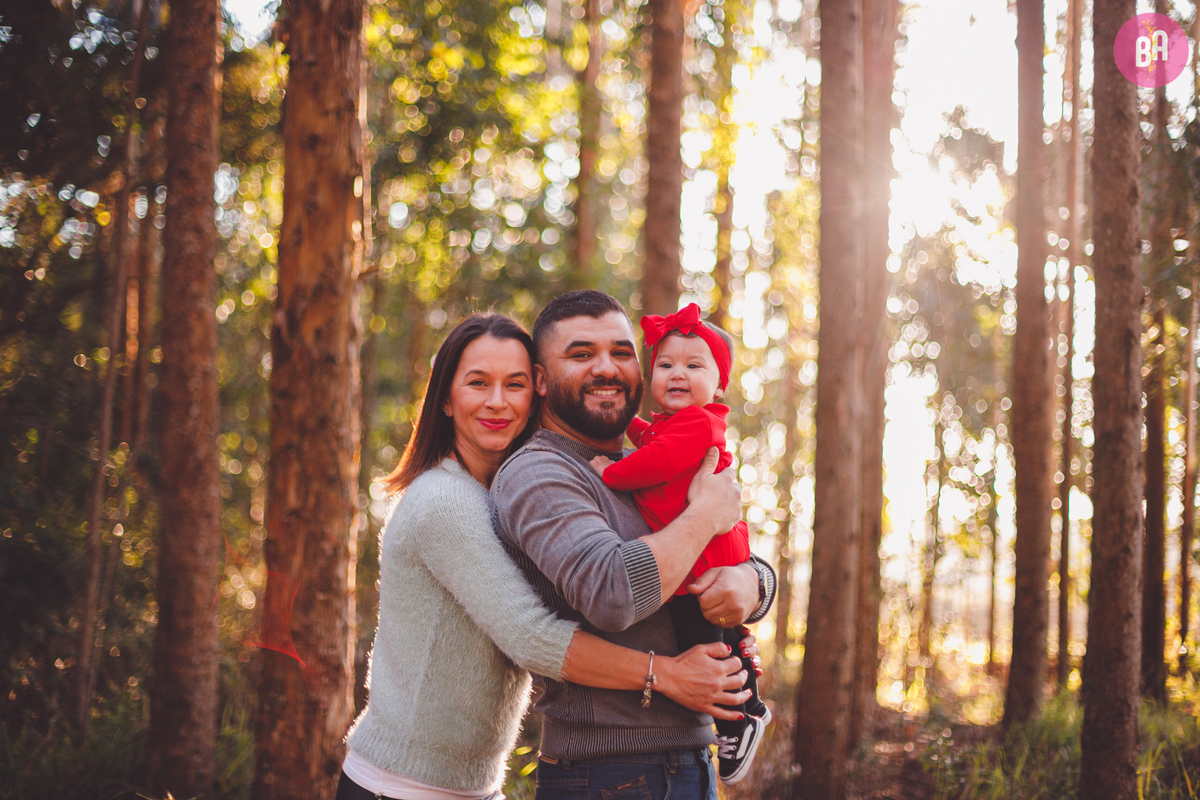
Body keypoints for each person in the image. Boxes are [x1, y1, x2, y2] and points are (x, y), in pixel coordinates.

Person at [337, 313, 756, 800]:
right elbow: (532, 636)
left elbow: (701, 553)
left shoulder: (513, 490)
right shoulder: (445, 501)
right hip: (401, 783)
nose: (498, 401)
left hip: (472, 786)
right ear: (446, 400)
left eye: (513, 384)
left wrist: (753, 584)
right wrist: (667, 675)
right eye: (478, 383)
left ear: (533, 391)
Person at [492, 291, 776, 800]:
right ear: (540, 379)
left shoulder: (648, 461)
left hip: (686, 760)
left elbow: (716, 553)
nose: (607, 368)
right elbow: (612, 592)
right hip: (608, 770)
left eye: (621, 352)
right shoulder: (539, 472)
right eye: (581, 354)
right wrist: (705, 515)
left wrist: (754, 583)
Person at [588, 302, 769, 785]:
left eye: (694, 366)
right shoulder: (674, 424)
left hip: (706, 557)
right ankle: (747, 695)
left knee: (703, 643)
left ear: (720, 384)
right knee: (721, 634)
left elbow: (655, 462)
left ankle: (737, 718)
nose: (678, 374)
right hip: (699, 551)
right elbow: (649, 437)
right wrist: (625, 420)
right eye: (666, 365)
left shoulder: (699, 424)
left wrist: (612, 472)